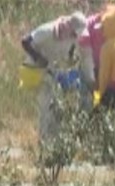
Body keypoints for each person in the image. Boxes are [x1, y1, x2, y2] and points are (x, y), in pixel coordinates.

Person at [21, 11, 87, 142]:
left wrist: (71, 63)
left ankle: (55, 141)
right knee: (46, 105)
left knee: (57, 105)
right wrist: (38, 58)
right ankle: (44, 141)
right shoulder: (47, 31)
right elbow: (25, 41)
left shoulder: (72, 36)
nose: (75, 37)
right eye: (74, 33)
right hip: (37, 70)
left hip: (53, 71)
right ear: (68, 26)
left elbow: (70, 51)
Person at [77, 3, 115, 111]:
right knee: (88, 96)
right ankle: (86, 115)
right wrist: (91, 78)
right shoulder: (89, 24)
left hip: (110, 67)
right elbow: (83, 47)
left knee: (108, 99)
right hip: (91, 64)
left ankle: (103, 116)